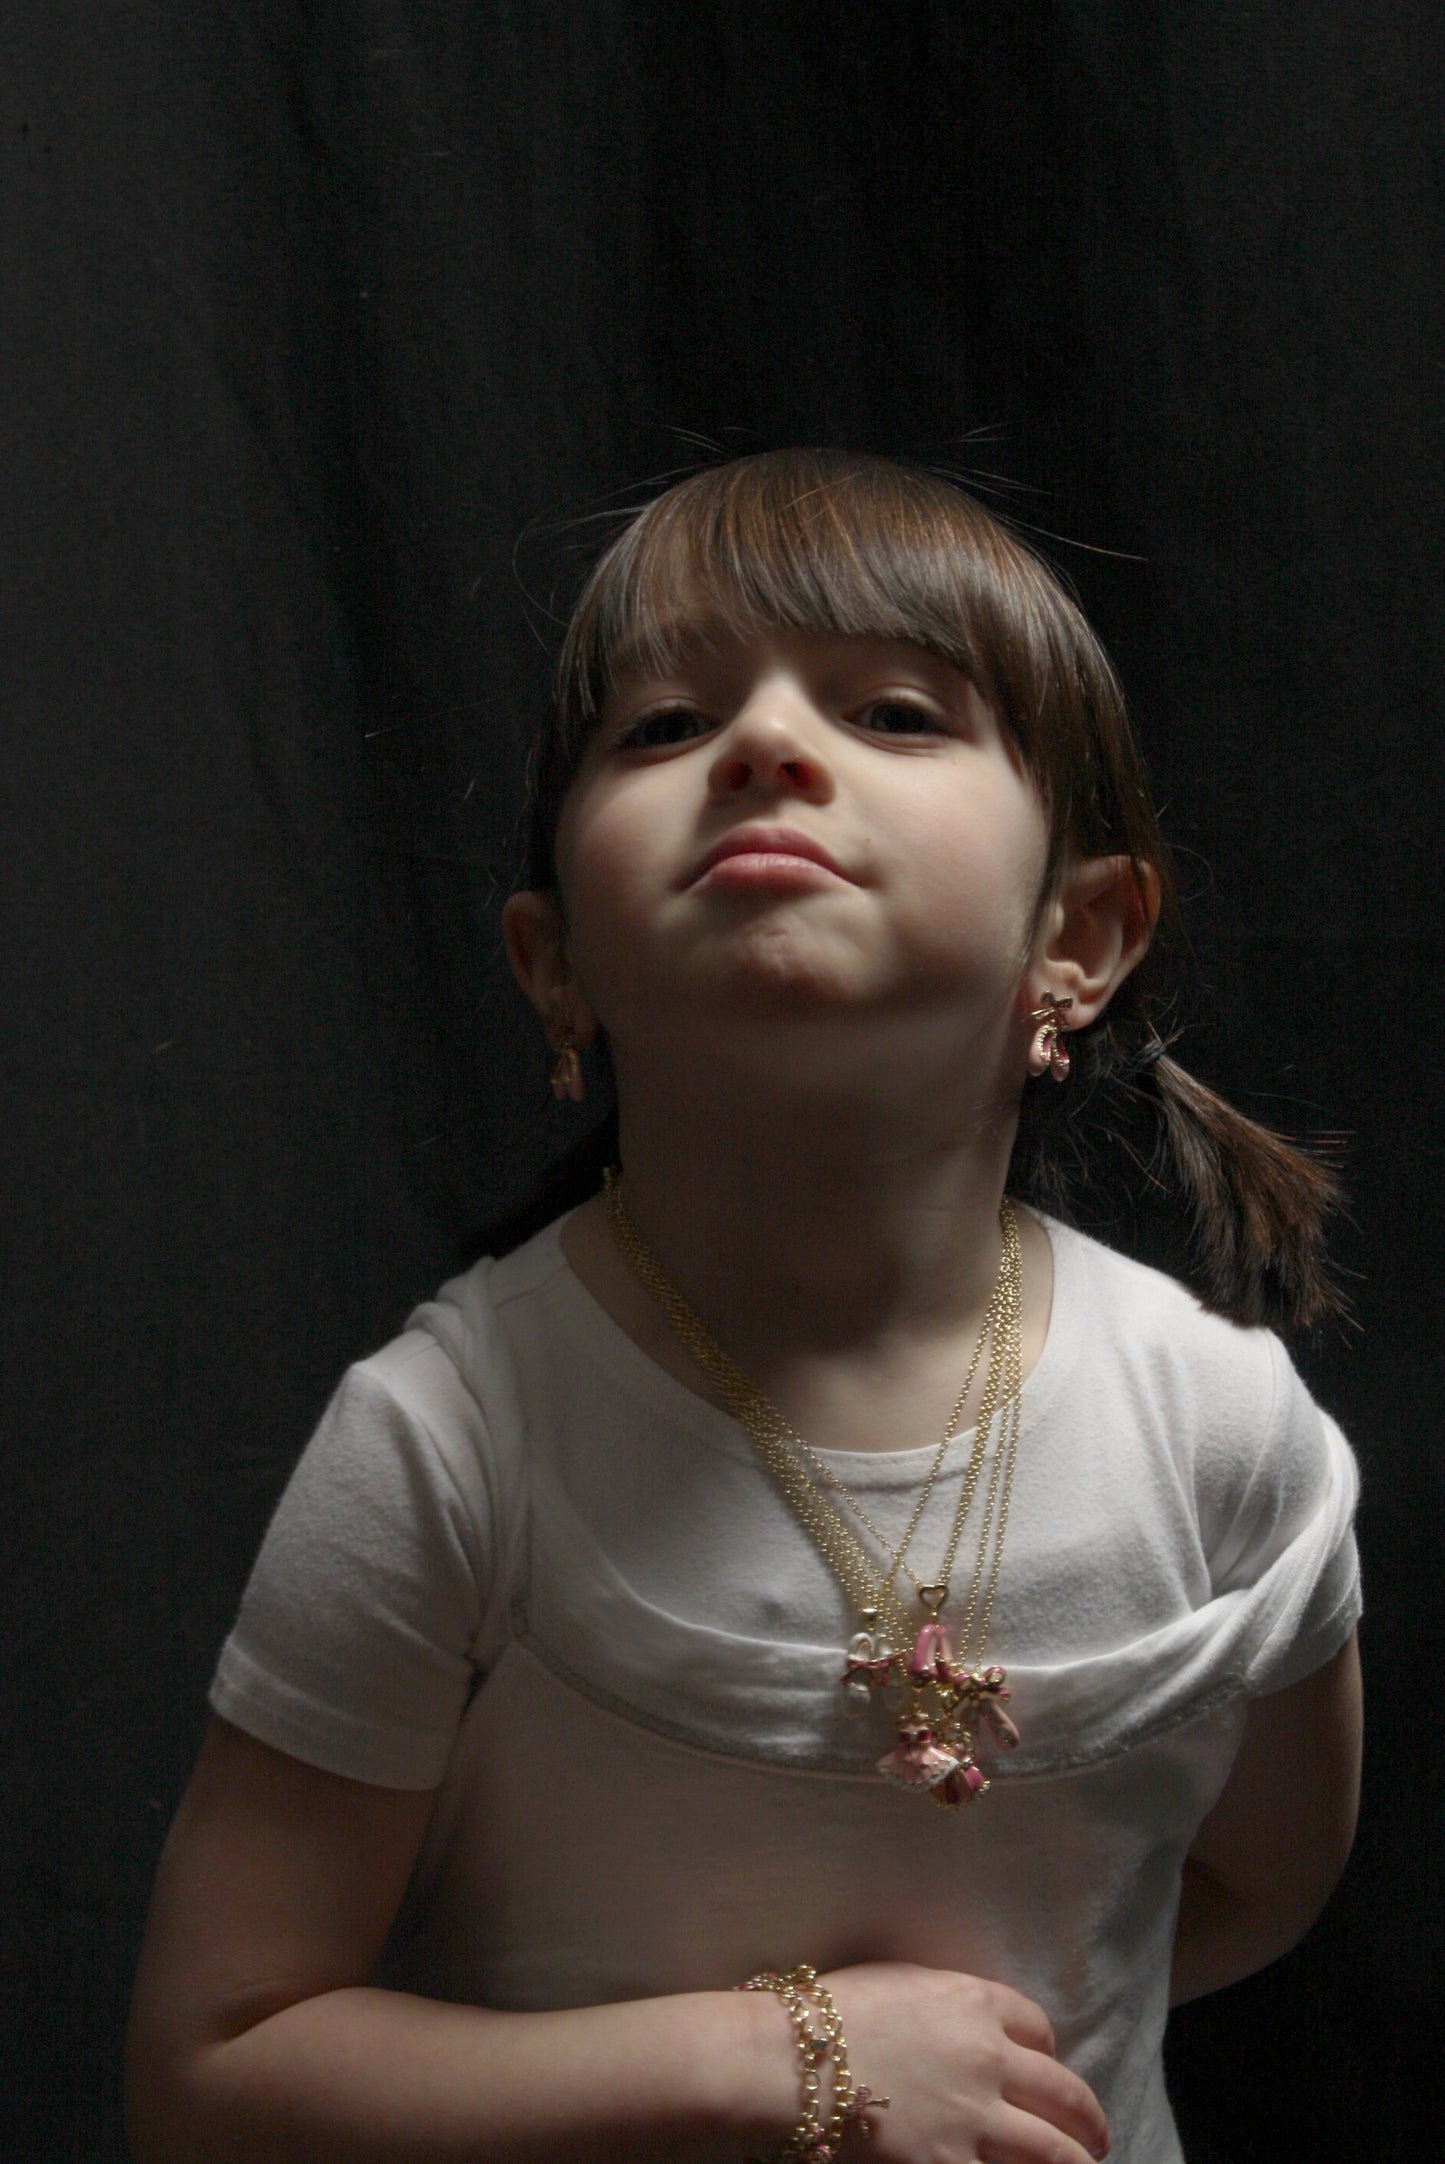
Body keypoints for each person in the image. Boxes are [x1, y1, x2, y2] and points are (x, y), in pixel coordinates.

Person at [125, 450, 1362, 2164]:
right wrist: (789, 2063)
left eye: (896, 712)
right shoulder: (450, 1443)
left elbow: (1246, 1891)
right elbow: (212, 2072)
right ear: (555, 964)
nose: (766, 744)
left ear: (1076, 937)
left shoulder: (1220, 1433)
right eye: (662, 725)